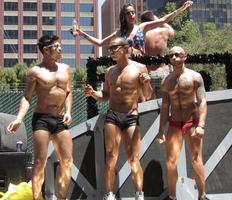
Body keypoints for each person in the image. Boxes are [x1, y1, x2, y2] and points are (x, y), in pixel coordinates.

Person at [84, 37, 153, 200]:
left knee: (133, 159)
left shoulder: (140, 68)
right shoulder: (110, 71)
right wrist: (94, 93)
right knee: (111, 157)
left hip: (131, 116)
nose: (111, 51)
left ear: (125, 48)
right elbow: (106, 95)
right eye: (110, 48)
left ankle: (139, 194)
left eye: (114, 47)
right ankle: (109, 194)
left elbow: (148, 95)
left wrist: (146, 83)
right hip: (113, 116)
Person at [7, 35, 73, 200]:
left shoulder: (65, 68)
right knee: (39, 163)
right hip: (42, 119)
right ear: (45, 49)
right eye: (56, 46)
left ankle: (62, 198)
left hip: (60, 119)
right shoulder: (35, 72)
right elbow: (27, 98)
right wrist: (19, 118)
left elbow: (68, 91)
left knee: (67, 162)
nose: (60, 49)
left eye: (60, 46)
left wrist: (68, 111)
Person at [156, 46, 209, 200]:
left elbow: (203, 101)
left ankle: (202, 195)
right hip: (174, 124)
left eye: (177, 55)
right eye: (171, 55)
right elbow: (165, 106)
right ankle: (172, 197)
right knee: (170, 163)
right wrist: (161, 130)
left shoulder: (195, 77)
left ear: (184, 57)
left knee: (196, 159)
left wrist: (201, 125)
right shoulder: (167, 81)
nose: (173, 57)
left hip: (192, 122)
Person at [71, 1, 193, 57]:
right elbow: (100, 43)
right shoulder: (119, 32)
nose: (131, 15)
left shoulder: (141, 27)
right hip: (127, 66)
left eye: (133, 13)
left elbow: (163, 20)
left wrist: (181, 9)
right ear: (124, 16)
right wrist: (82, 33)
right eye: (128, 13)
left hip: (142, 65)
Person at [141, 10, 175, 99]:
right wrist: (160, 20)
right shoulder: (164, 31)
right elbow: (172, 31)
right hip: (163, 72)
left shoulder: (141, 33)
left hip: (148, 74)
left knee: (149, 106)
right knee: (166, 104)